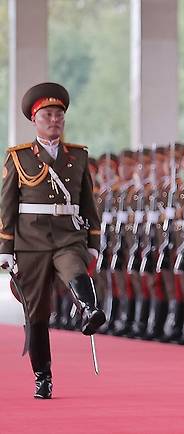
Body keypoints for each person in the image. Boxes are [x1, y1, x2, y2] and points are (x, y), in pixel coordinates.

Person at [0, 82, 104, 399]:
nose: (54, 120)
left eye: (59, 114)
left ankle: (89, 310)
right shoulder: (18, 158)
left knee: (74, 266)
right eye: (48, 114)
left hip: (67, 236)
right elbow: (6, 206)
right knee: (37, 313)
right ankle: (42, 376)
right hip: (30, 243)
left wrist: (93, 242)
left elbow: (88, 203)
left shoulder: (78, 156)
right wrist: (5, 248)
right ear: (35, 119)